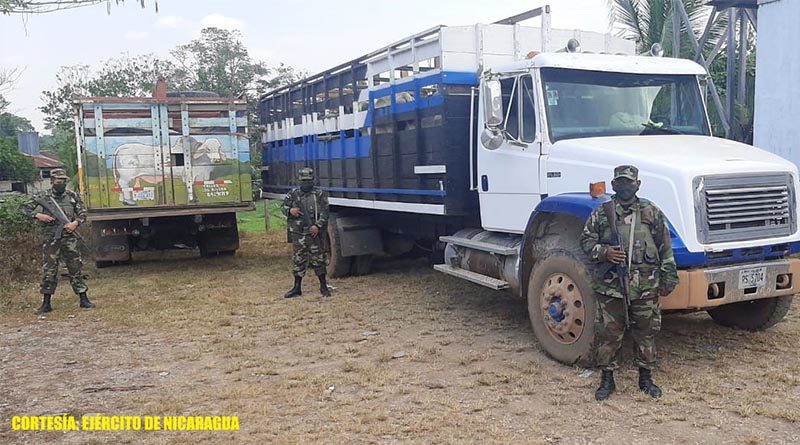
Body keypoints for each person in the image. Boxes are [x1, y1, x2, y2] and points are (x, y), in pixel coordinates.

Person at [580, 165, 679, 401]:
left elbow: (665, 246)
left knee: (646, 331)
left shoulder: (650, 211)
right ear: (613, 185)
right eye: (620, 182)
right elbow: (585, 241)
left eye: (629, 182)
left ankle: (646, 377)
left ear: (638, 185)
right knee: (608, 333)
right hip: (611, 286)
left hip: (645, 286)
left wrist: (669, 276)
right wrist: (605, 253)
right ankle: (607, 379)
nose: (625, 186)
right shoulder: (602, 212)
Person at [22, 168, 95, 315]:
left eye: (63, 181)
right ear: (52, 181)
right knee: (50, 269)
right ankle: (46, 303)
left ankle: (83, 299)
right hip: (51, 238)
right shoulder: (43, 196)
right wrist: (38, 215)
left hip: (69, 237)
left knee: (75, 266)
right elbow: (24, 208)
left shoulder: (72, 196)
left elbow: (82, 213)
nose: (61, 184)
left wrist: (75, 223)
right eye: (58, 181)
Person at [282, 167, 332, 298]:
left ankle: (323, 286)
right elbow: (283, 207)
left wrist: (318, 226)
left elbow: (325, 212)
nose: (306, 183)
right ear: (300, 180)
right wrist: (290, 211)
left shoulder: (319, 194)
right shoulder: (293, 194)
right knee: (298, 259)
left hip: (314, 233)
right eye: (304, 181)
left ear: (312, 180)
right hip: (298, 233)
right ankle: (297, 287)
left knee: (319, 259)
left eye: (308, 181)